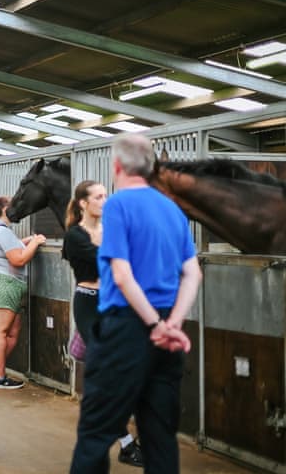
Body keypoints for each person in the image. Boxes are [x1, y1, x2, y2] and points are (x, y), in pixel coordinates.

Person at [69, 133, 202, 473]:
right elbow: (193, 274)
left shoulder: (118, 205)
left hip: (127, 328)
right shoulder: (172, 210)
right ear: (152, 166)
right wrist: (172, 324)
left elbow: (123, 275)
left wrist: (154, 325)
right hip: (167, 333)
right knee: (160, 438)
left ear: (117, 165)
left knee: (95, 433)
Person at [62, 181, 143, 467]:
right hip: (88, 303)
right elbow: (108, 261)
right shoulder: (75, 235)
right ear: (83, 203)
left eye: (106, 195)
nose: (105, 201)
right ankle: (124, 442)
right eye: (98, 197)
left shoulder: (109, 231)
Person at [0, 195, 46, 389]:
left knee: (12, 333)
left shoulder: (2, 231)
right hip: (3, 285)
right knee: (0, 333)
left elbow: (13, 246)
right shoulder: (2, 232)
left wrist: (27, 240)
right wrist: (36, 243)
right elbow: (18, 260)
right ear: (4, 210)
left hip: (8, 284)